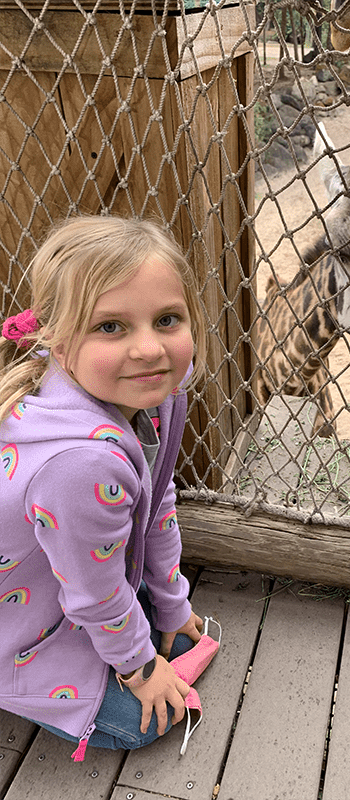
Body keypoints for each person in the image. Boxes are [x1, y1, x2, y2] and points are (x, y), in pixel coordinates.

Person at [0, 215, 212, 759]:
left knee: (169, 633)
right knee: (148, 720)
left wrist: (170, 599)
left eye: (167, 319)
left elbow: (158, 499)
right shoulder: (79, 465)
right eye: (111, 327)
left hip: (66, 578)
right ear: (58, 338)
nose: (149, 349)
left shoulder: (150, 393)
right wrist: (141, 672)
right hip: (17, 623)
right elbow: (95, 593)